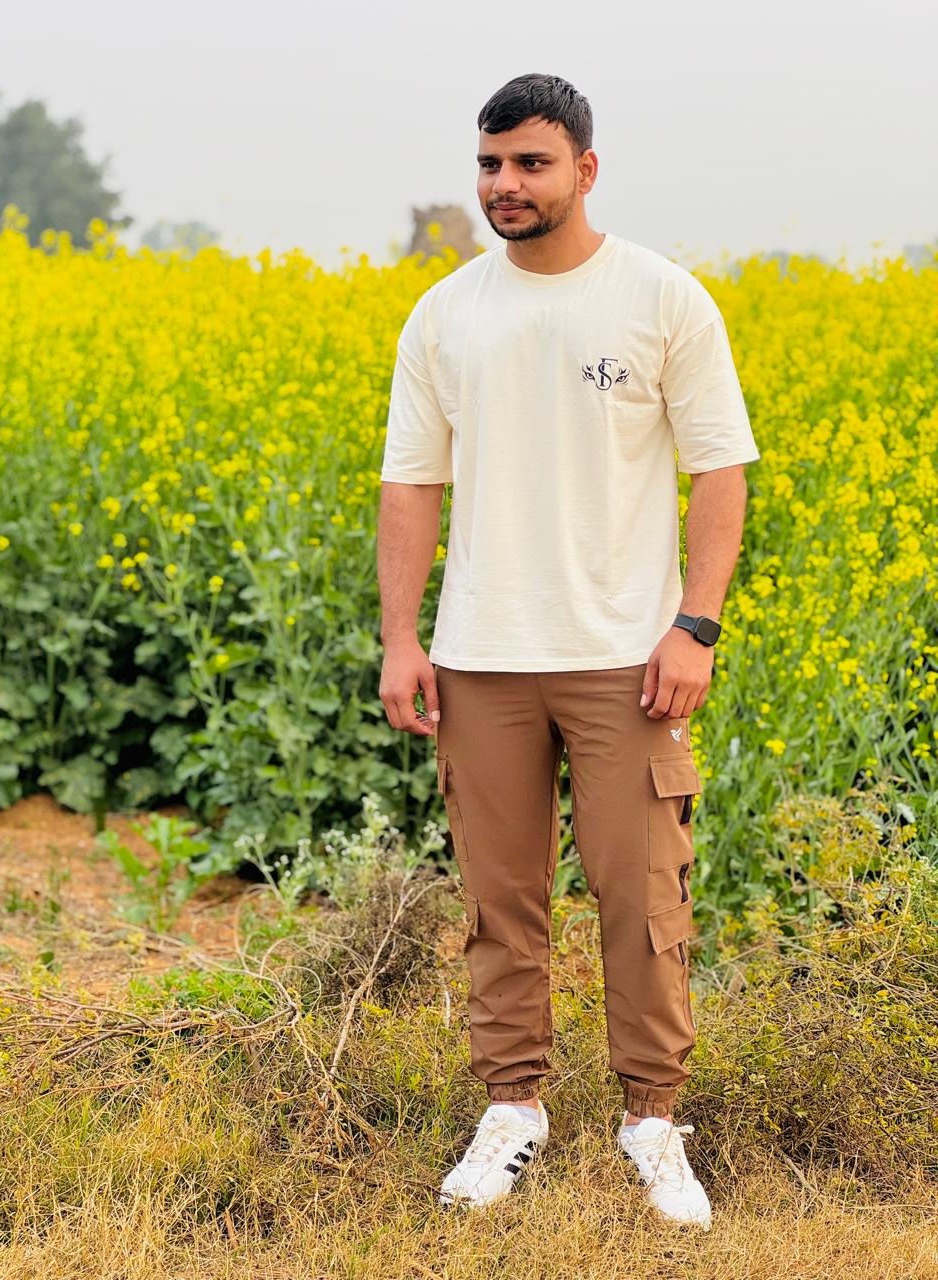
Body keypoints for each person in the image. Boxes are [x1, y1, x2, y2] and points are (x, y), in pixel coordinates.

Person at [377, 72, 760, 1230]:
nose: (505, 183)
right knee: (503, 904)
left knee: (642, 901)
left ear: (585, 168)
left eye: (530, 163)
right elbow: (411, 485)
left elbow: (720, 470)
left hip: (624, 658)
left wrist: (695, 623)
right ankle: (513, 1108)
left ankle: (653, 1120)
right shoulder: (445, 313)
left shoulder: (662, 298)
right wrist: (402, 638)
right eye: (490, 163)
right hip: (480, 656)